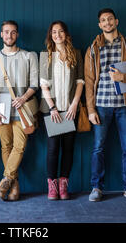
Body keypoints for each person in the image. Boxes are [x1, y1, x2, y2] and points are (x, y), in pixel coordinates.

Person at [84, 8, 126, 202]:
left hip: (125, 105)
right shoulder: (93, 48)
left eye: (110, 19)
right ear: (99, 25)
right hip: (101, 105)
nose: (107, 23)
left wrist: (123, 77)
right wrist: (91, 109)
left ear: (116, 21)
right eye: (103, 20)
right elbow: (88, 81)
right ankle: (96, 187)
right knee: (98, 148)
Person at [0, 20, 39, 201]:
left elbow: (35, 83)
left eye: (13, 32)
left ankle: (6, 180)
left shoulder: (29, 56)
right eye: (6, 32)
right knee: (6, 146)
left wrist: (23, 98)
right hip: (1, 107)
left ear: (17, 35)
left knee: (20, 146)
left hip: (23, 107)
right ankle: (14, 186)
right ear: (1, 34)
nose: (9, 35)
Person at [39, 21, 84, 200]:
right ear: (51, 35)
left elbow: (80, 82)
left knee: (68, 148)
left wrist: (74, 104)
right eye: (54, 32)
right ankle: (52, 186)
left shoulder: (76, 54)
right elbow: (44, 85)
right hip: (52, 111)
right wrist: (52, 108)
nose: (57, 35)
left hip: (71, 110)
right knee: (53, 149)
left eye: (61, 31)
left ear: (66, 34)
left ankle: (64, 185)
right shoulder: (46, 55)